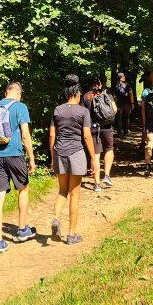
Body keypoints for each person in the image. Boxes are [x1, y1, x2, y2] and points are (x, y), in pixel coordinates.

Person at [0, 80, 37, 252]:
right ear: (18, 94)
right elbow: (26, 135)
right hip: (15, 154)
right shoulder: (20, 107)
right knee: (23, 189)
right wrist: (31, 159)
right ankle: (22, 230)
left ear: (6, 93)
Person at [49, 74, 96, 244]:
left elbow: (52, 134)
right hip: (76, 153)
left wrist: (53, 156)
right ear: (78, 93)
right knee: (74, 193)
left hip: (60, 152)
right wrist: (94, 159)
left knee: (62, 190)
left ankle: (55, 218)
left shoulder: (57, 110)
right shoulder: (83, 112)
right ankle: (71, 234)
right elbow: (87, 136)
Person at [83, 75, 117, 190]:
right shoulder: (107, 94)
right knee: (109, 149)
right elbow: (115, 110)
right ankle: (106, 175)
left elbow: (83, 113)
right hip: (107, 127)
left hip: (92, 129)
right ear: (101, 84)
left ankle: (96, 184)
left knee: (96, 155)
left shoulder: (86, 96)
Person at [113, 71, 134, 140]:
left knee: (119, 119)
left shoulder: (115, 86)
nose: (125, 77)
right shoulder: (127, 85)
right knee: (126, 118)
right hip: (127, 104)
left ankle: (120, 133)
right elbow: (131, 94)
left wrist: (115, 104)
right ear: (121, 78)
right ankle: (125, 131)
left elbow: (114, 97)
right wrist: (132, 103)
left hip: (119, 104)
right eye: (123, 76)